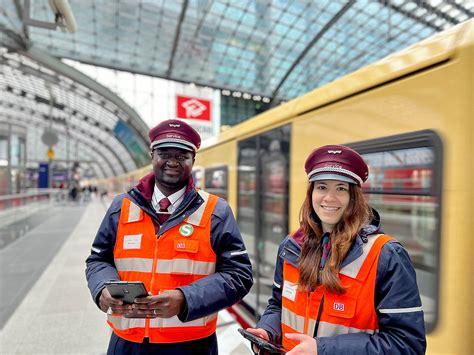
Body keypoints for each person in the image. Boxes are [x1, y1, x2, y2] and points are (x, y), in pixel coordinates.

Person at [85, 119, 253, 354]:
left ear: (193, 161)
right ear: (152, 154)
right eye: (164, 153)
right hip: (127, 342)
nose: (172, 162)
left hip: (192, 345)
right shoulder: (120, 207)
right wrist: (102, 289)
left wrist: (186, 299)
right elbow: (97, 260)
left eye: (182, 155)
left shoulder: (216, 211)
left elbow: (239, 275)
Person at [246, 145, 426, 354]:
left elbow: (408, 344)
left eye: (341, 188)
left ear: (353, 196)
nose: (329, 198)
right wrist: (267, 330)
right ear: (311, 192)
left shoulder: (386, 255)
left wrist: (323, 350)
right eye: (322, 187)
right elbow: (278, 305)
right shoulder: (291, 247)